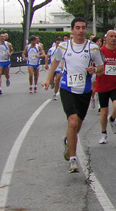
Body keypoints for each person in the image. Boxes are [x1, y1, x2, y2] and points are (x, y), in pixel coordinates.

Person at [42, 17, 104, 173]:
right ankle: (72, 159)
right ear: (72, 30)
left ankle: (68, 141)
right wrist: (48, 78)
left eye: (83, 28)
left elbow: (102, 67)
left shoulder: (93, 48)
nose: (81, 31)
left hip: (84, 90)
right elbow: (55, 62)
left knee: (78, 124)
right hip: (67, 88)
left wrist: (94, 70)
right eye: (78, 28)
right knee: (73, 122)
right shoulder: (63, 47)